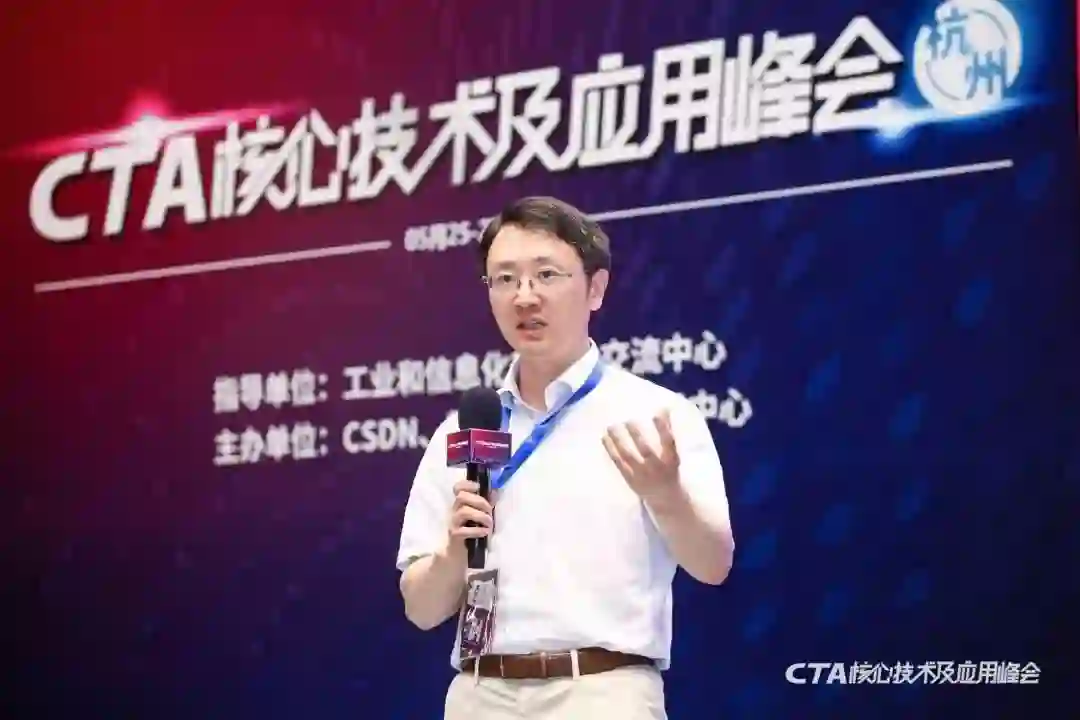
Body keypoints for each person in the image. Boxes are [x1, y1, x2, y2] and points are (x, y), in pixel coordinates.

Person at [396, 196, 735, 719]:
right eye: (504, 279)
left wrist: (666, 495)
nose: (524, 296)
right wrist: (453, 551)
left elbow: (714, 566)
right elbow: (420, 609)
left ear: (595, 288)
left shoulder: (655, 415)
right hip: (480, 694)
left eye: (546, 275)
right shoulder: (463, 431)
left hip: (601, 691)